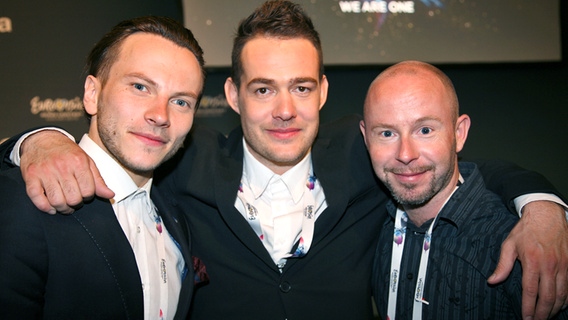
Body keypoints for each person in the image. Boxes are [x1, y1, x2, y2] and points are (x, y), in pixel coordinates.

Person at [1, 1, 567, 319]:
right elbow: (110, 154)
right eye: (264, 89)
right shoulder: (182, 166)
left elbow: (468, 167)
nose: (284, 111)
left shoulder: (366, 153)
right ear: (232, 96)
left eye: (300, 87)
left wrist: (543, 207)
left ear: (322, 91)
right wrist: (39, 140)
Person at [0, 16, 206, 319]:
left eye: (180, 102)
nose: (160, 115)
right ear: (92, 94)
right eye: (140, 86)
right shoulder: (25, 200)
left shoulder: (177, 214)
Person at [360, 60, 568, 319]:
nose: (405, 154)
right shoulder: (366, 223)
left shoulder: (520, 245)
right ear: (366, 137)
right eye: (387, 134)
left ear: (459, 133)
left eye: (424, 130)